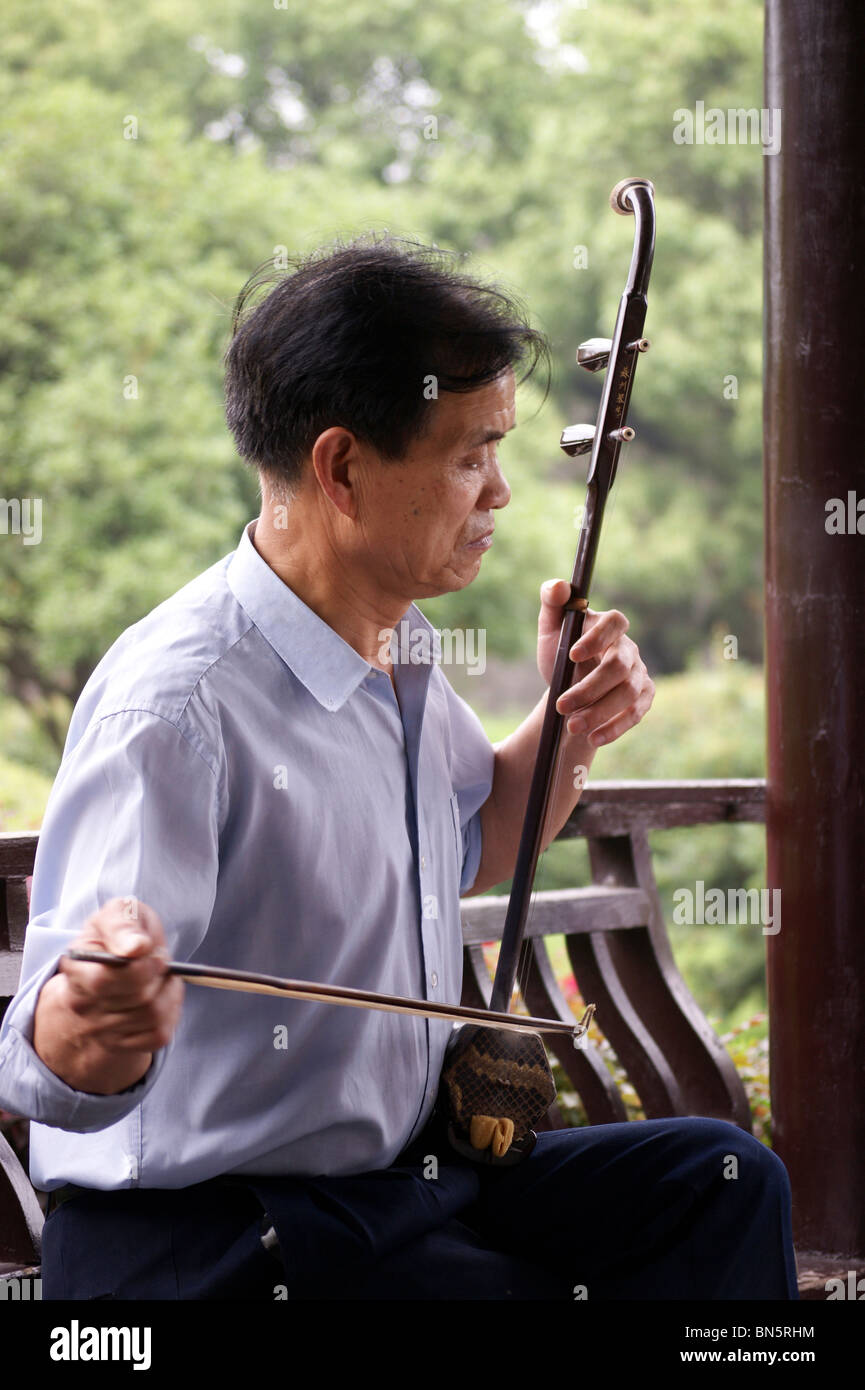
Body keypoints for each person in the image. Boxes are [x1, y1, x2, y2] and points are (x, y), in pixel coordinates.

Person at [0, 237, 797, 1300]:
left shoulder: (398, 646)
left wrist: (573, 727)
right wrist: (93, 1020)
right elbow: (39, 1053)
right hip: (211, 1238)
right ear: (340, 467)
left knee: (723, 1180)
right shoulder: (179, 702)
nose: (501, 493)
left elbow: (473, 844)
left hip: (390, 1189)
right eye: (470, 455)